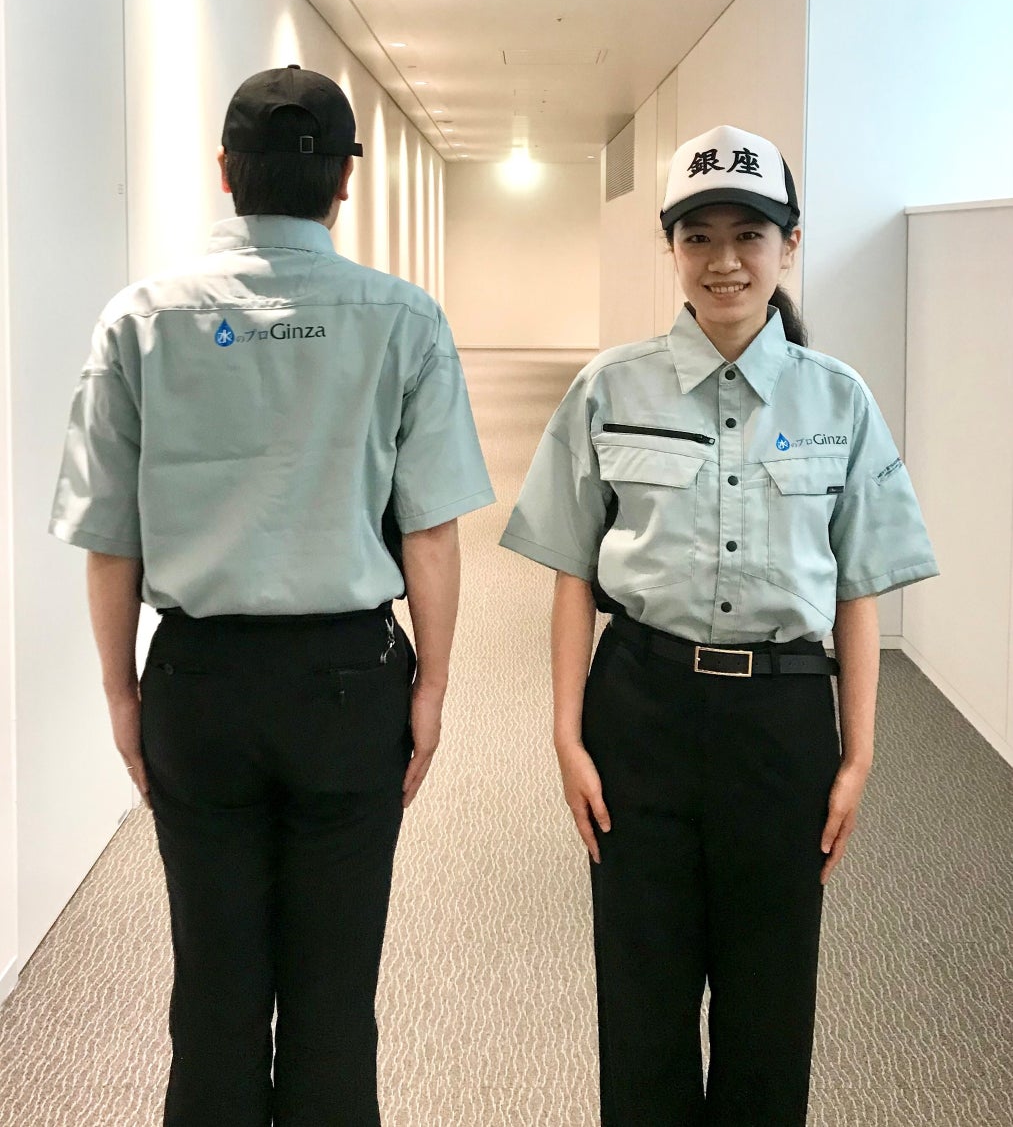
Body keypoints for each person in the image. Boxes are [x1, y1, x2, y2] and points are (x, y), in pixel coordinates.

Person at [49, 65, 494, 1127]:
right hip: (349, 681)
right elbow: (430, 531)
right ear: (344, 180)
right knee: (335, 992)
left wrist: (122, 694)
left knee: (213, 985)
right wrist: (431, 687)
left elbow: (109, 540)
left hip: (198, 681)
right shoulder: (404, 319)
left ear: (224, 171)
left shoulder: (140, 320)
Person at [500, 124, 939, 1126]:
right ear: (670, 247)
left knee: (768, 1008)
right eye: (697, 236)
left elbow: (858, 589)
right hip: (639, 711)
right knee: (641, 999)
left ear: (789, 244)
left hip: (780, 725)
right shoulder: (609, 388)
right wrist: (565, 736)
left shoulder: (838, 400)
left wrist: (858, 756)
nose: (724, 260)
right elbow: (571, 572)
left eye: (749, 234)